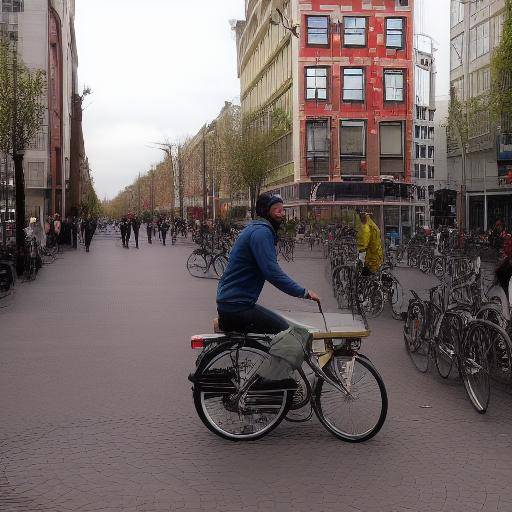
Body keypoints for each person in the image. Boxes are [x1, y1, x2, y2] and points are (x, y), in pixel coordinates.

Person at [216, 193, 320, 389]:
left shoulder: (258, 230)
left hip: (233, 303)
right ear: (266, 212)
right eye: (277, 210)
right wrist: (304, 292)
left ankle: (271, 379)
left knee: (274, 336)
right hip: (237, 306)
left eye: (283, 210)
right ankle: (270, 384)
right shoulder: (262, 233)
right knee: (288, 333)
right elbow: (272, 273)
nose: (282, 214)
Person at [356, 209, 383, 275]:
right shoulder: (371, 224)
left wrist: (360, 248)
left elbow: (365, 241)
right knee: (370, 272)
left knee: (366, 273)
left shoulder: (367, 227)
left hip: (372, 254)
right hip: (376, 252)